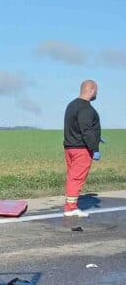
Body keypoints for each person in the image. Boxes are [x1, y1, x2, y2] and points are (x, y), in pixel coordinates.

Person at [63, 79, 101, 217]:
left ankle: (70, 205)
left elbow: (75, 126)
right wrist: (95, 148)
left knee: (72, 177)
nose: (97, 93)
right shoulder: (86, 108)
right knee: (77, 178)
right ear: (90, 90)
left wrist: (97, 136)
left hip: (70, 146)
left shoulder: (71, 105)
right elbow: (86, 128)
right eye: (96, 90)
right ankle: (71, 208)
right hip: (82, 148)